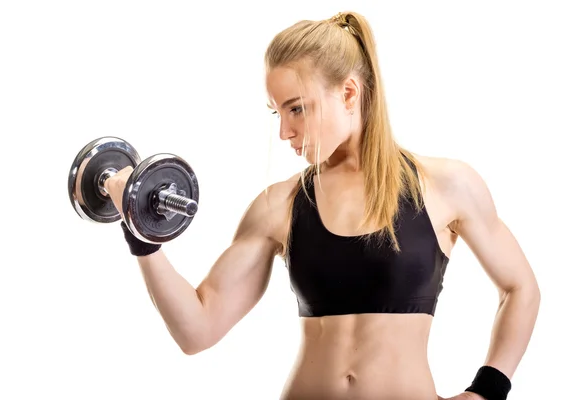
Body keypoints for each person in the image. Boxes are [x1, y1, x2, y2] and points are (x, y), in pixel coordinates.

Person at [104, 11, 540, 400]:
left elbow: (521, 288)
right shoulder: (280, 205)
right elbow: (196, 330)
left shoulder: (445, 185)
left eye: (297, 109)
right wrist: (141, 233)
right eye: (277, 113)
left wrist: (488, 389)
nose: (285, 133)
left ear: (349, 93)